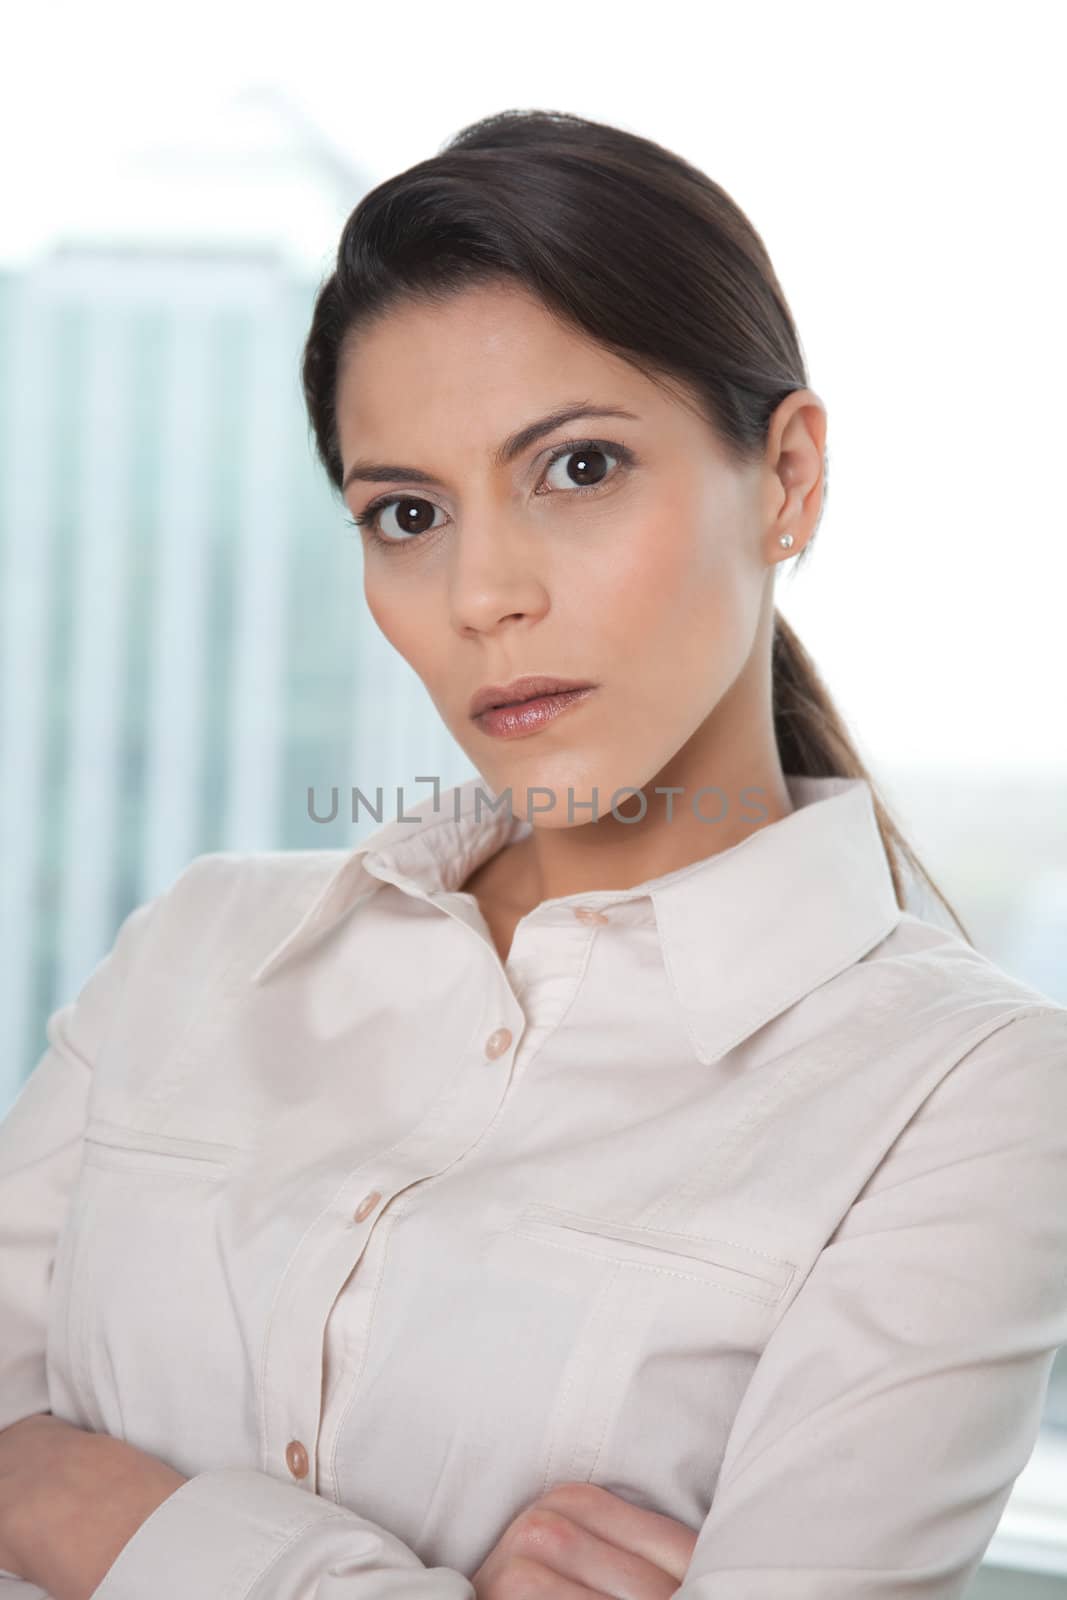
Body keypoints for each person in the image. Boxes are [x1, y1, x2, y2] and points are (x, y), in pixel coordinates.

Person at [1, 107, 1065, 1600]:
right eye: (407, 513)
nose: (481, 592)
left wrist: (79, 1504)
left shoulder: (966, 1095)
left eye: (576, 470)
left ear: (788, 478)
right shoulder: (202, 944)